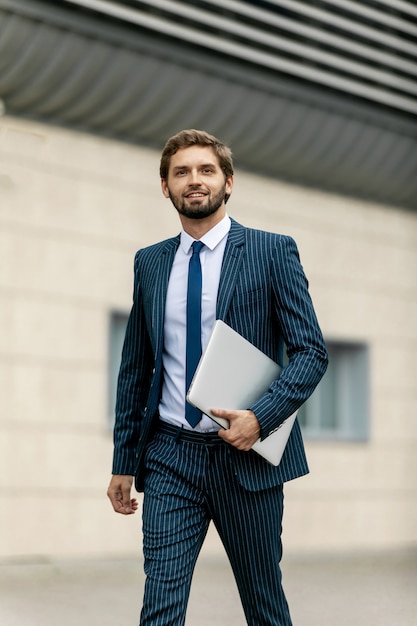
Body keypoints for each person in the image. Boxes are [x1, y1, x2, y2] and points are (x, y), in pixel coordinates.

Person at [107, 129, 328, 626]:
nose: (194, 181)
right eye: (181, 172)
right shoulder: (150, 263)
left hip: (244, 457)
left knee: (264, 608)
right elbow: (136, 368)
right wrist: (124, 461)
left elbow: (311, 353)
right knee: (159, 609)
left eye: (206, 170)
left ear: (229, 182)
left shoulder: (273, 252)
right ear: (165, 186)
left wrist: (260, 419)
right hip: (170, 457)